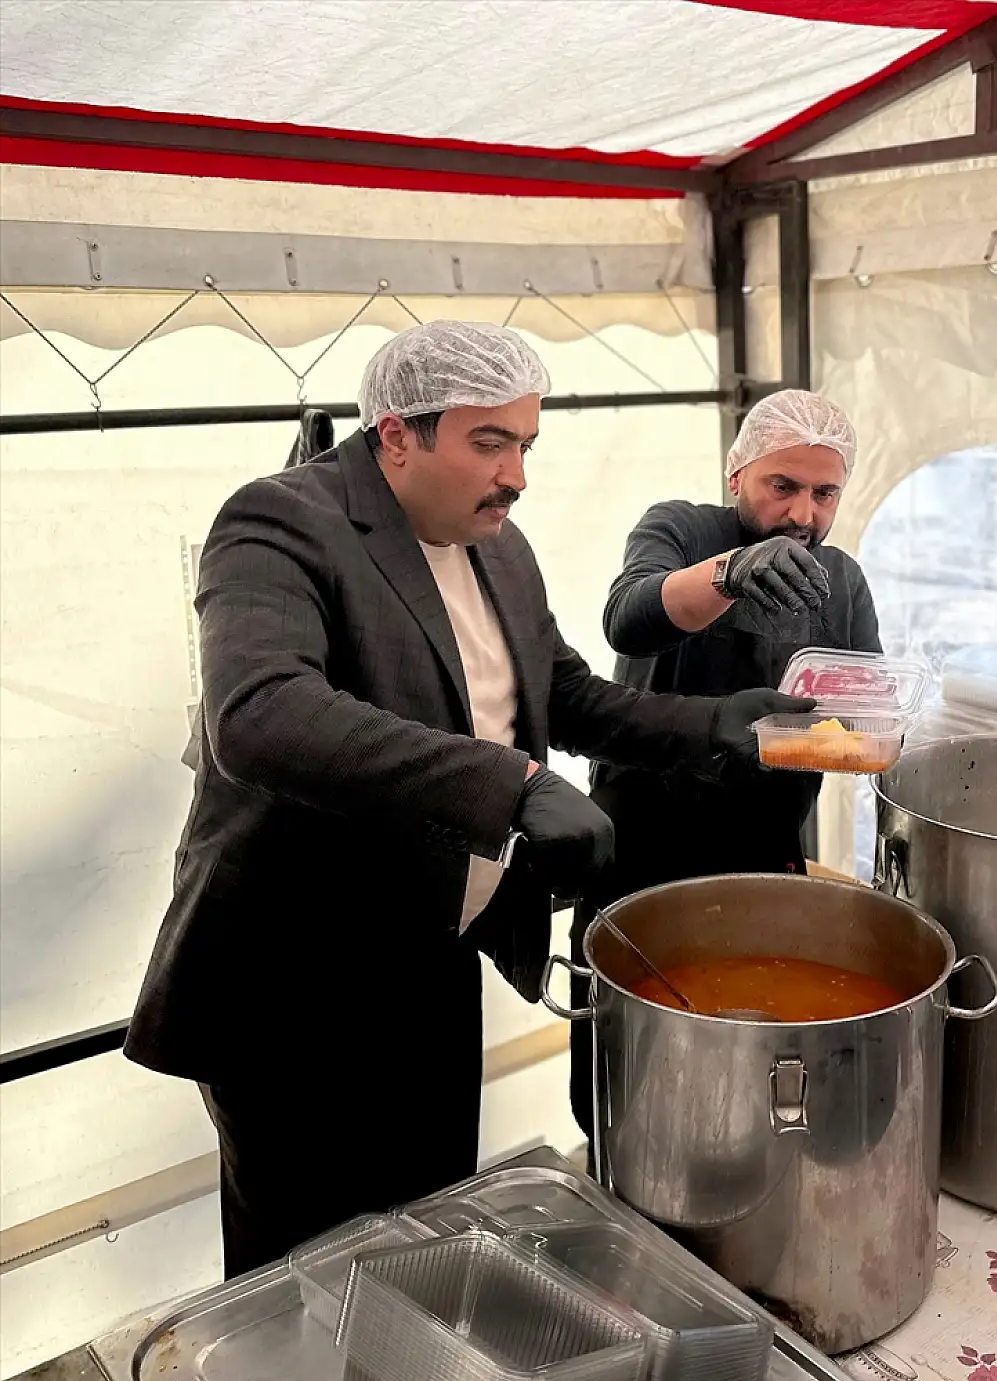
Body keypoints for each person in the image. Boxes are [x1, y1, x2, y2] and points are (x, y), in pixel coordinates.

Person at [124, 322, 810, 1277]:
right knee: (308, 1268)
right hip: (295, 983)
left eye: (525, 443)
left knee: (427, 1224)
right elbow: (263, 716)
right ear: (396, 434)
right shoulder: (280, 526)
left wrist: (711, 725)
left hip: (431, 955)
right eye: (490, 442)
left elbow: (562, 693)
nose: (517, 474)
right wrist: (514, 787)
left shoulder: (498, 546)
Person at [570, 389, 881, 1144]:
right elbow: (631, 617)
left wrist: (860, 734)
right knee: (625, 1072)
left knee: (747, 1061)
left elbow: (864, 712)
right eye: (784, 486)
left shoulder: (839, 580)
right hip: (641, 845)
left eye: (824, 492)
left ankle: (732, 1175)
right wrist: (730, 572)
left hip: (764, 853)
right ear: (736, 473)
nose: (804, 513)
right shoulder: (680, 528)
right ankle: (615, 1165)